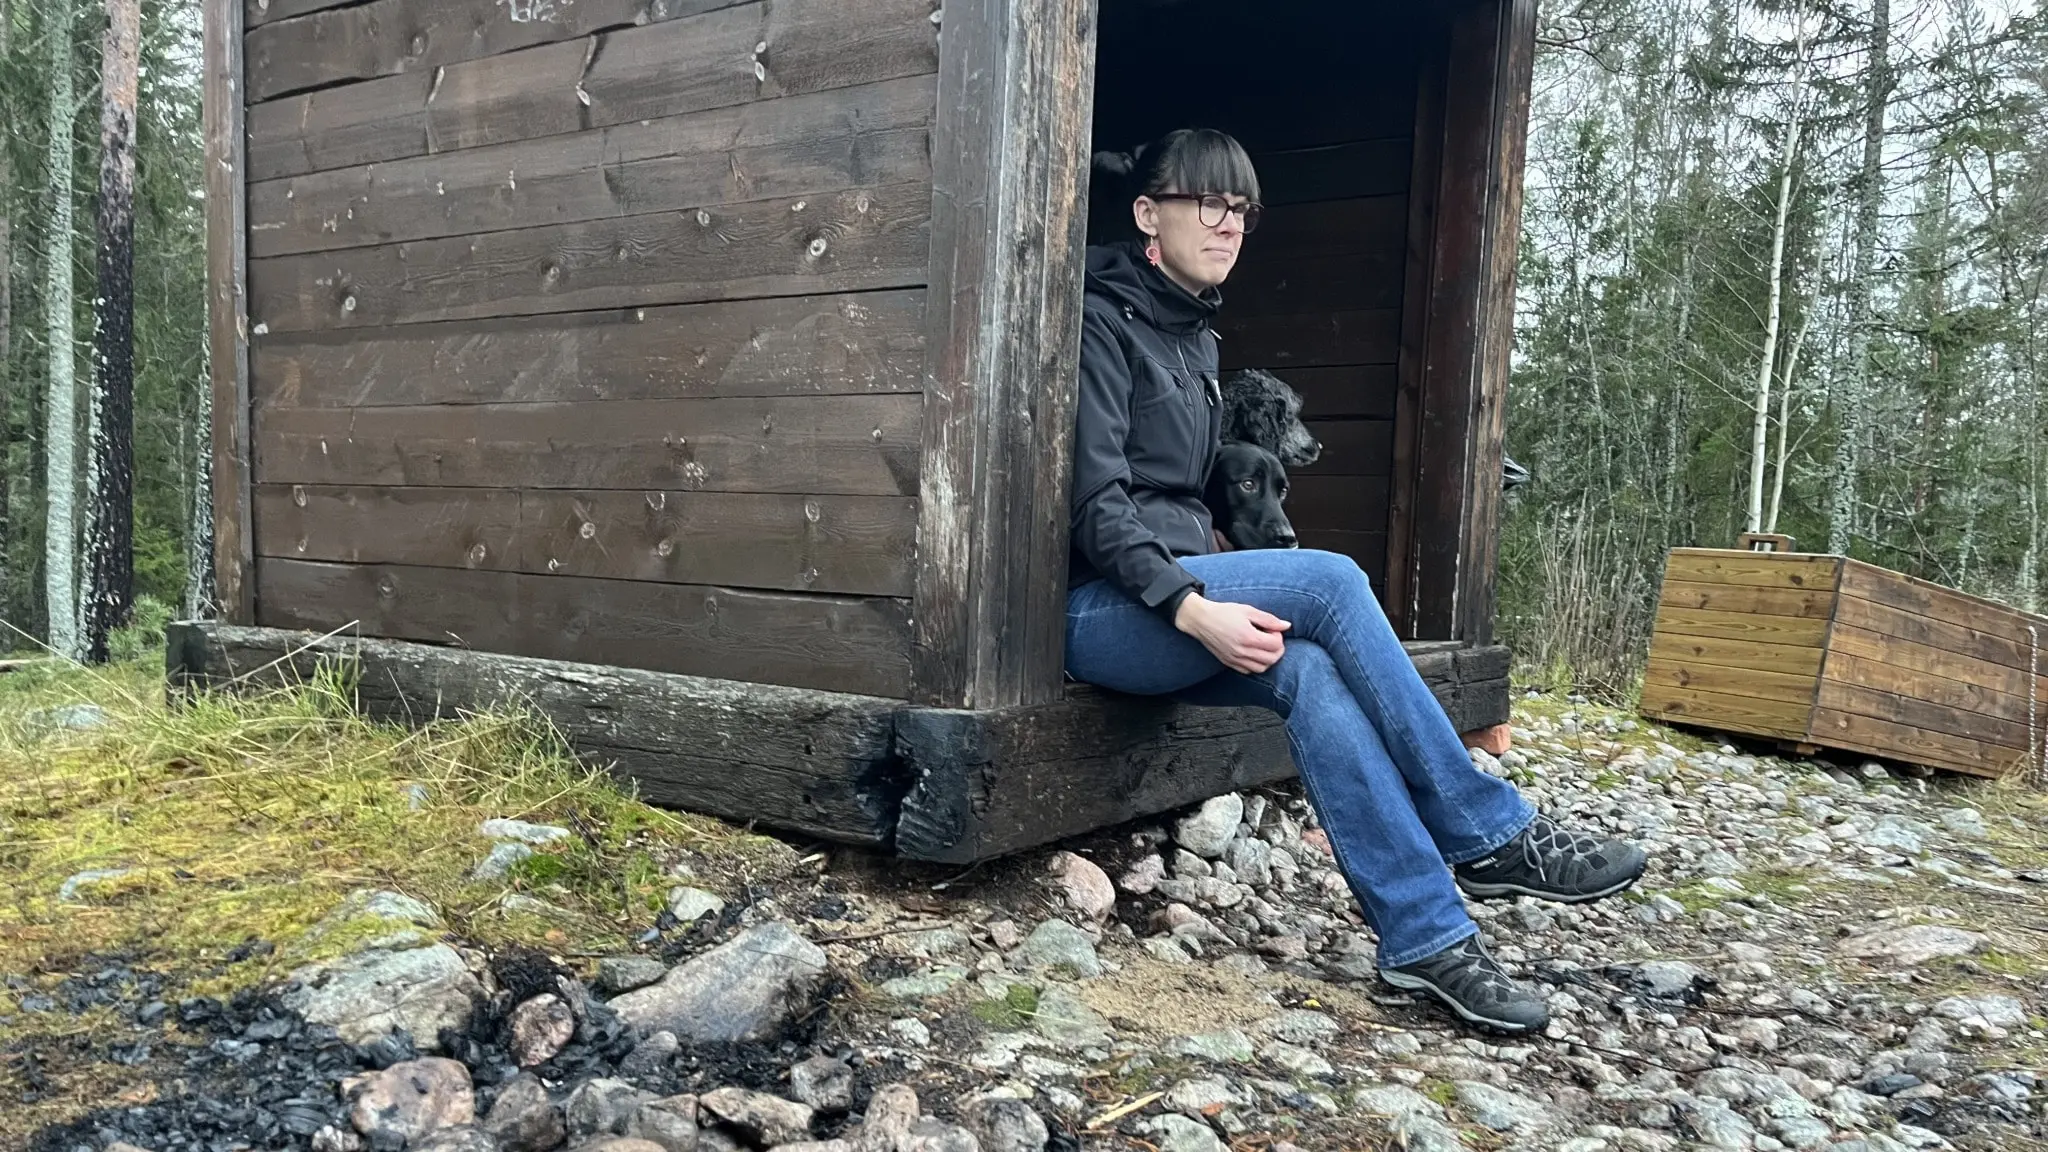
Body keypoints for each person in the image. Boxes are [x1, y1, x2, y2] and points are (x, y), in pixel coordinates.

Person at [1066, 128, 1647, 1034]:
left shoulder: (1197, 338)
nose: (1228, 225)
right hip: (1103, 613)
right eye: (1208, 204)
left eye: (1243, 211)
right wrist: (1194, 607)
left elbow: (1186, 492)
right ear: (1149, 213)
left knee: (1314, 677)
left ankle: (1424, 940)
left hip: (1181, 594)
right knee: (1333, 581)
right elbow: (1096, 504)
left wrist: (1215, 584)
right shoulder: (1104, 321)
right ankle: (1490, 831)